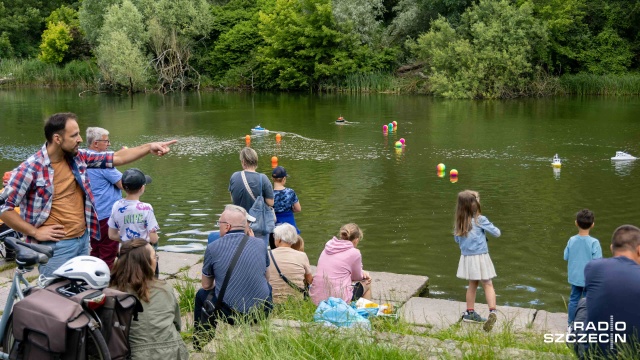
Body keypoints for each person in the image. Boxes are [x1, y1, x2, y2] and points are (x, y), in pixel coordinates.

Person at [0, 112, 175, 276]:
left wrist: (149, 147)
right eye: (74, 135)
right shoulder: (30, 168)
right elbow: (4, 208)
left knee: (82, 299)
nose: (80, 139)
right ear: (57, 138)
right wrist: (35, 232)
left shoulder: (79, 158)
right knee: (57, 301)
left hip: (83, 241)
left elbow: (118, 158)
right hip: (55, 247)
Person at [194, 204, 272, 344]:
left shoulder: (213, 248)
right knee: (268, 287)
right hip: (261, 311)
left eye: (220, 223)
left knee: (201, 295)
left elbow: (206, 285)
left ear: (227, 226)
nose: (219, 226)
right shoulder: (260, 244)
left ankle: (202, 341)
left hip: (230, 314)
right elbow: (267, 278)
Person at [109, 239, 189, 359]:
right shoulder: (164, 288)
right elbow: (177, 323)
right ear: (146, 262)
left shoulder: (112, 292)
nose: (156, 260)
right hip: (171, 352)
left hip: (133, 353)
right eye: (154, 256)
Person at [584, 225, 640, 357]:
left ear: (611, 248)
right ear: (639, 250)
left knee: (582, 303)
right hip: (633, 354)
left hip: (592, 354)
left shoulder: (592, 268)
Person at [453, 190, 500, 332]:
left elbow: (457, 240)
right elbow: (497, 233)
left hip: (467, 258)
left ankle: (470, 313)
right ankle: (493, 311)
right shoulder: (480, 220)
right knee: (488, 283)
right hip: (481, 257)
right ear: (474, 204)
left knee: (472, 284)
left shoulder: (459, 222)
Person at [86, 127, 123, 268]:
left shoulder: (83, 159)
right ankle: (105, 283)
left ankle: (91, 277)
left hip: (91, 214)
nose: (108, 144)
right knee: (108, 250)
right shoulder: (103, 164)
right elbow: (123, 185)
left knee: (95, 249)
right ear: (96, 143)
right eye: (106, 141)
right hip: (106, 214)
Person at [310, 223, 372, 305]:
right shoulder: (354, 253)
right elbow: (357, 277)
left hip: (316, 298)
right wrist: (363, 272)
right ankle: (364, 312)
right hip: (338, 300)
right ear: (356, 240)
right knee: (367, 282)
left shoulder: (329, 246)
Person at [563, 209, 601, 327]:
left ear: (576, 223)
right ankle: (584, 323)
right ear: (593, 224)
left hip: (575, 277)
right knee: (587, 301)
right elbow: (598, 262)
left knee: (573, 299)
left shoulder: (571, 240)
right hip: (589, 278)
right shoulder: (594, 242)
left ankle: (571, 323)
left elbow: (565, 256)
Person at [228, 147, 274, 245]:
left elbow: (232, 198)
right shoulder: (263, 178)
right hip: (259, 224)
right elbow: (271, 202)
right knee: (259, 253)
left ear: (243, 161)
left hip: (239, 223)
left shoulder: (234, 176)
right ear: (255, 161)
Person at [108, 168, 159, 245]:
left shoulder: (116, 205)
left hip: (125, 249)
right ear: (142, 188)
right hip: (142, 251)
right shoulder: (147, 208)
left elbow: (112, 235)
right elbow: (153, 239)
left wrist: (128, 239)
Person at [267, 223, 312, 303]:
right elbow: (309, 280)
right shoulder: (302, 255)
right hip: (296, 300)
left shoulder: (267, 255)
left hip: (273, 300)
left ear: (279, 239)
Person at [271, 166, 301, 233]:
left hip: (275, 225)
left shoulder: (269, 194)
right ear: (284, 179)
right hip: (289, 224)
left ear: (272, 178)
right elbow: (298, 209)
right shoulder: (290, 192)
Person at [0, 171, 19, 261]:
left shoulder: (2, 193)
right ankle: (11, 251)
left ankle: (10, 252)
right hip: (7, 226)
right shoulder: (16, 196)